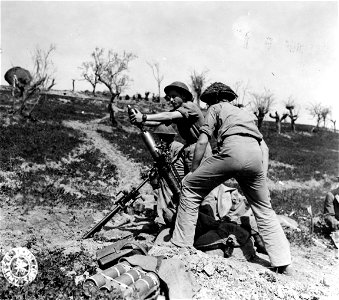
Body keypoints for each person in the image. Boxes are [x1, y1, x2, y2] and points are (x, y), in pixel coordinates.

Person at [170, 82, 292, 274]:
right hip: (255, 158)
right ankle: (283, 262)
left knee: (190, 187)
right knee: (263, 207)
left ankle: (180, 247)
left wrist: (193, 171)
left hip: (232, 152)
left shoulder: (215, 108)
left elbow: (203, 140)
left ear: (213, 99)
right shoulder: (247, 114)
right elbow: (265, 148)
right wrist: (262, 175)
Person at [129, 81, 212, 172]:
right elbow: (160, 122)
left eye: (174, 96)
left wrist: (144, 117)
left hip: (200, 148)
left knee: (194, 182)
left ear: (183, 95)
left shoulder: (190, 106)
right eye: (170, 97)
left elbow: (168, 115)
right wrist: (141, 122)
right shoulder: (179, 110)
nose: (171, 100)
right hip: (189, 147)